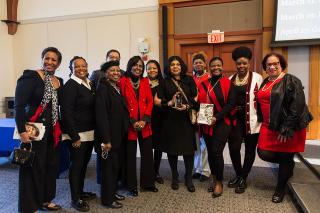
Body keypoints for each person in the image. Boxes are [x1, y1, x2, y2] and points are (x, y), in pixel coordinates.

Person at [257, 52, 313, 203]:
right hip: (269, 126)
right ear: (265, 67)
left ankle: (280, 189)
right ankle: (288, 165)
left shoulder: (291, 80)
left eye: (276, 63)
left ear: (281, 65)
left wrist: (287, 127)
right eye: (269, 64)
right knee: (263, 152)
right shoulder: (266, 81)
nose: (272, 66)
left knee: (285, 156)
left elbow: (297, 106)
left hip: (287, 126)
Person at [14, 47, 63, 212]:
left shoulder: (59, 81)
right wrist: (22, 131)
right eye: (47, 58)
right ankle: (29, 206)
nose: (49, 62)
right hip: (33, 129)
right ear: (42, 59)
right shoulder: (31, 77)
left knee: (50, 166)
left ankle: (45, 199)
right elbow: (19, 106)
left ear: (58, 63)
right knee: (32, 167)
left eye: (54, 60)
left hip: (53, 131)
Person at [154, 56, 198, 192]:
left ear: (181, 66)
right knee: (172, 151)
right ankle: (174, 176)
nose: (175, 66)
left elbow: (196, 97)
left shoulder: (189, 80)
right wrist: (170, 103)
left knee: (189, 151)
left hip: (186, 120)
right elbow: (158, 101)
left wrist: (187, 106)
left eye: (178, 64)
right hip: (170, 120)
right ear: (169, 67)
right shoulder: (164, 82)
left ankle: (188, 177)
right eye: (172, 64)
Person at [61, 56, 96, 212]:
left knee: (83, 165)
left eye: (84, 66)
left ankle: (80, 192)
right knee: (76, 166)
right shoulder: (70, 86)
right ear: (71, 69)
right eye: (77, 66)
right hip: (76, 135)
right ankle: (75, 199)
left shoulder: (88, 83)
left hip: (88, 133)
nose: (81, 69)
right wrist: (74, 136)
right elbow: (66, 113)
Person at [198, 56, 236, 198]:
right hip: (207, 122)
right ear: (209, 67)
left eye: (218, 65)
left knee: (216, 152)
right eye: (213, 65)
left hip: (222, 122)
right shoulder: (203, 83)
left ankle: (219, 182)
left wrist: (216, 117)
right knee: (210, 151)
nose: (216, 68)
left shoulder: (227, 83)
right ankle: (214, 179)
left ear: (222, 66)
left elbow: (231, 103)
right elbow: (199, 102)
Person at [119, 56, 158, 196]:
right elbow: (122, 103)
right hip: (130, 125)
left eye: (141, 66)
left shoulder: (145, 81)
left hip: (145, 124)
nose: (138, 68)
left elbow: (150, 102)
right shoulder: (122, 81)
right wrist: (133, 121)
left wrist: (145, 120)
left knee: (147, 155)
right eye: (135, 65)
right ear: (130, 66)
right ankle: (131, 186)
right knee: (129, 156)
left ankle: (148, 183)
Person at [227, 46, 263, 194]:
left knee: (249, 149)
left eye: (244, 63)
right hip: (235, 120)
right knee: (234, 148)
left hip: (252, 119)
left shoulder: (257, 78)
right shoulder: (230, 79)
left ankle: (244, 177)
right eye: (239, 63)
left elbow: (263, 100)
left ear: (249, 63)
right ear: (235, 64)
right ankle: (238, 173)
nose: (241, 66)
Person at [95, 60, 129, 209]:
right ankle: (107, 200)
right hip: (108, 137)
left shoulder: (116, 87)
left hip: (118, 135)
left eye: (118, 70)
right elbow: (101, 116)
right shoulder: (103, 88)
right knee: (108, 169)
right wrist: (106, 139)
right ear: (106, 73)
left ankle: (112, 192)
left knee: (115, 167)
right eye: (112, 70)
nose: (116, 73)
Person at [192, 53, 211, 182]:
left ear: (205, 63)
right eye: (196, 62)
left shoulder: (210, 78)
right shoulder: (190, 79)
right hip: (193, 112)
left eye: (200, 62)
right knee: (196, 143)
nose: (198, 64)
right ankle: (197, 169)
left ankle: (205, 170)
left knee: (205, 143)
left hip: (206, 110)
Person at [146, 59, 165, 184]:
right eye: (149, 68)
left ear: (158, 70)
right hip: (146, 119)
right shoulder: (142, 82)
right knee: (147, 147)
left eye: (154, 68)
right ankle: (148, 172)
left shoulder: (163, 83)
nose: (152, 70)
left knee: (158, 147)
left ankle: (156, 171)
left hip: (160, 119)